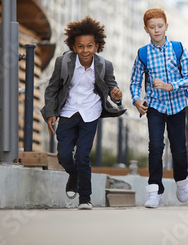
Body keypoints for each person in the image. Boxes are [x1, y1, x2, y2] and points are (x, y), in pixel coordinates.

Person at [41, 16, 126, 210]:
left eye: (89, 46)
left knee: (83, 157)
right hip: (69, 112)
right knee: (63, 155)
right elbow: (52, 89)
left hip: (91, 113)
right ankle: (74, 175)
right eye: (80, 46)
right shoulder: (63, 62)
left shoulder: (105, 66)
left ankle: (85, 198)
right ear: (73, 47)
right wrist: (50, 113)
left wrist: (117, 95)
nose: (85, 50)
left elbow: (113, 89)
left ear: (97, 46)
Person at [130, 8, 188, 208]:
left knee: (179, 149)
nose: (157, 30)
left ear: (166, 26)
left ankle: (182, 181)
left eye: (160, 26)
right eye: (152, 27)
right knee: (156, 147)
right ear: (146, 29)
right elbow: (134, 82)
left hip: (177, 105)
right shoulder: (143, 53)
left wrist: (171, 85)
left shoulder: (178, 48)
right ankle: (154, 190)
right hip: (155, 106)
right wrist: (136, 100)